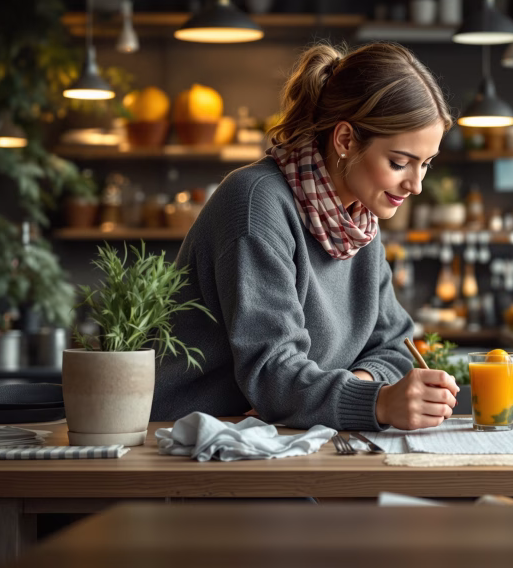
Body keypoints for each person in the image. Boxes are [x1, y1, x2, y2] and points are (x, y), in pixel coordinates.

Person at [151, 42, 459, 432]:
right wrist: (377, 401)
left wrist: (356, 391)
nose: (416, 185)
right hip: (192, 442)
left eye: (426, 164)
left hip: (279, 437)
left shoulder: (359, 220)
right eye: (399, 163)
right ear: (345, 140)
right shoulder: (255, 205)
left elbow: (394, 346)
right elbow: (273, 375)